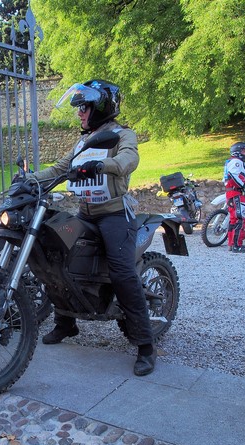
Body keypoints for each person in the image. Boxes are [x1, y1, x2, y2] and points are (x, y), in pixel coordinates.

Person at [28, 79, 156, 376]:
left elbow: (128, 159)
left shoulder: (123, 134)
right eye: (79, 108)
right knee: (55, 257)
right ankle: (66, 322)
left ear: (100, 107)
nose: (79, 113)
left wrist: (102, 166)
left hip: (115, 215)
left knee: (122, 273)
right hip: (85, 213)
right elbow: (59, 169)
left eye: (84, 107)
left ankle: (145, 345)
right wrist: (29, 179)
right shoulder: (83, 141)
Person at [225, 142, 245, 253]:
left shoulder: (238, 162)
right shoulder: (236, 162)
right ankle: (237, 245)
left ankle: (231, 243)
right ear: (238, 152)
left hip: (233, 193)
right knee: (241, 219)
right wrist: (243, 186)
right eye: (244, 151)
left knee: (233, 220)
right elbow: (233, 175)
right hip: (236, 193)